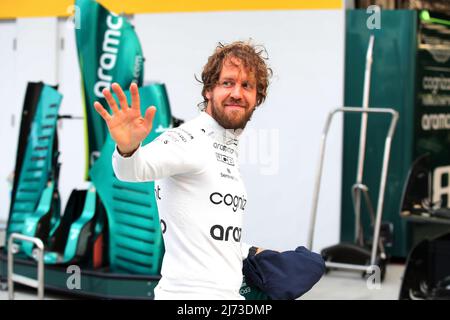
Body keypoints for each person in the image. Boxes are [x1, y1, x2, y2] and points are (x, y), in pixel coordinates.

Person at [93, 41, 272, 299]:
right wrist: (128, 148)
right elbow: (134, 170)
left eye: (247, 86)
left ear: (257, 97)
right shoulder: (188, 140)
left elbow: (207, 232)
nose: (237, 93)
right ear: (209, 90)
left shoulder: (226, 146)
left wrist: (251, 253)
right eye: (227, 83)